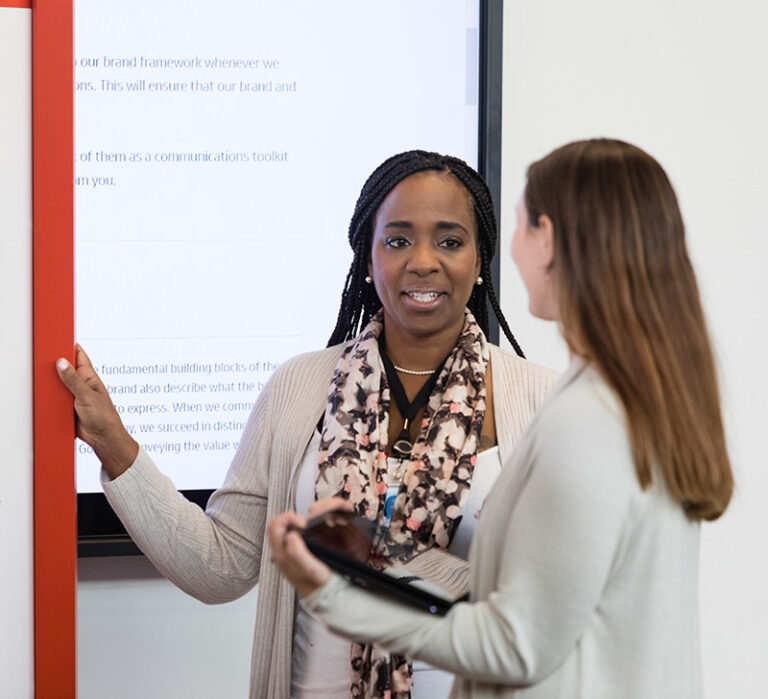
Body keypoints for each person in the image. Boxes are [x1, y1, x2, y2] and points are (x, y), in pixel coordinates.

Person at [57, 150, 558, 699]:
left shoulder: (541, 401)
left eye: (449, 241)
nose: (422, 261)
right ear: (368, 258)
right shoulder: (299, 387)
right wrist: (112, 441)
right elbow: (219, 566)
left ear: (480, 258)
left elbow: (556, 606)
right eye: (397, 240)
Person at [267, 139, 735, 699]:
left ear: (548, 238)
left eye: (518, 224)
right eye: (398, 239)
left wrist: (336, 598)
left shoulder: (586, 418)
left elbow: (516, 645)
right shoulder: (624, 396)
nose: (508, 247)